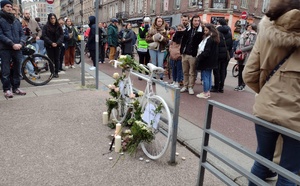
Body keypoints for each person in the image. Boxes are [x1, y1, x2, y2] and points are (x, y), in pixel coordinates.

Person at [243, 0, 300, 185]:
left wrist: (267, 92)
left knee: (262, 160)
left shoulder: (267, 31)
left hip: (266, 109)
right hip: (296, 118)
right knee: (290, 172)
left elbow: (249, 74)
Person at [0, 0, 27, 98]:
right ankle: (7, 89)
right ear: (3, 7)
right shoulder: (1, 19)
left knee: (17, 69)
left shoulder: (16, 20)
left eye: (11, 6)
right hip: (5, 49)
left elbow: (22, 34)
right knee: (5, 70)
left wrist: (21, 43)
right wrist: (12, 44)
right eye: (7, 6)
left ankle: (16, 87)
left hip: (18, 48)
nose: (10, 8)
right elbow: (1, 35)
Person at [180, 15, 204, 95]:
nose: (197, 22)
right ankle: (185, 85)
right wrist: (182, 50)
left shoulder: (201, 31)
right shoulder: (188, 30)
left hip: (193, 54)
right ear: (192, 21)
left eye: (198, 21)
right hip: (185, 53)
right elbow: (183, 40)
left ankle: (190, 87)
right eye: (195, 21)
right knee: (185, 71)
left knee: (192, 72)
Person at [195, 24, 219, 99]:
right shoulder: (215, 38)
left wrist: (199, 57)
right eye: (204, 30)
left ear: (210, 30)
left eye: (206, 30)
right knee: (208, 76)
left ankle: (205, 92)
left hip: (206, 61)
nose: (205, 32)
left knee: (205, 76)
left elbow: (206, 51)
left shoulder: (209, 39)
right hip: (211, 61)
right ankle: (207, 92)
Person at [211, 18, 233, 93]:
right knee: (223, 70)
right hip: (226, 55)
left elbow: (215, 44)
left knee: (216, 70)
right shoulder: (229, 32)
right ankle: (221, 87)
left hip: (217, 54)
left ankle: (216, 86)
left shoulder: (217, 32)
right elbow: (231, 45)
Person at [234, 23, 257, 91]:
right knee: (240, 69)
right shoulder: (243, 34)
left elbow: (252, 45)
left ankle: (243, 85)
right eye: (248, 27)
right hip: (240, 55)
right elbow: (239, 43)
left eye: (250, 27)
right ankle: (239, 84)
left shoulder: (254, 35)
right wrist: (237, 50)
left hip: (247, 55)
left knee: (244, 71)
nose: (248, 28)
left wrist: (242, 50)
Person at [42, 13, 63, 78]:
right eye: (51, 18)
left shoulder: (58, 26)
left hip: (57, 45)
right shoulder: (46, 26)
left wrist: (57, 43)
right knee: (50, 59)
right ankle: (52, 72)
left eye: (54, 18)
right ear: (49, 19)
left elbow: (61, 35)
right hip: (49, 45)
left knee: (57, 59)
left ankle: (56, 72)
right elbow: (44, 36)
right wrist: (51, 43)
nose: (53, 20)